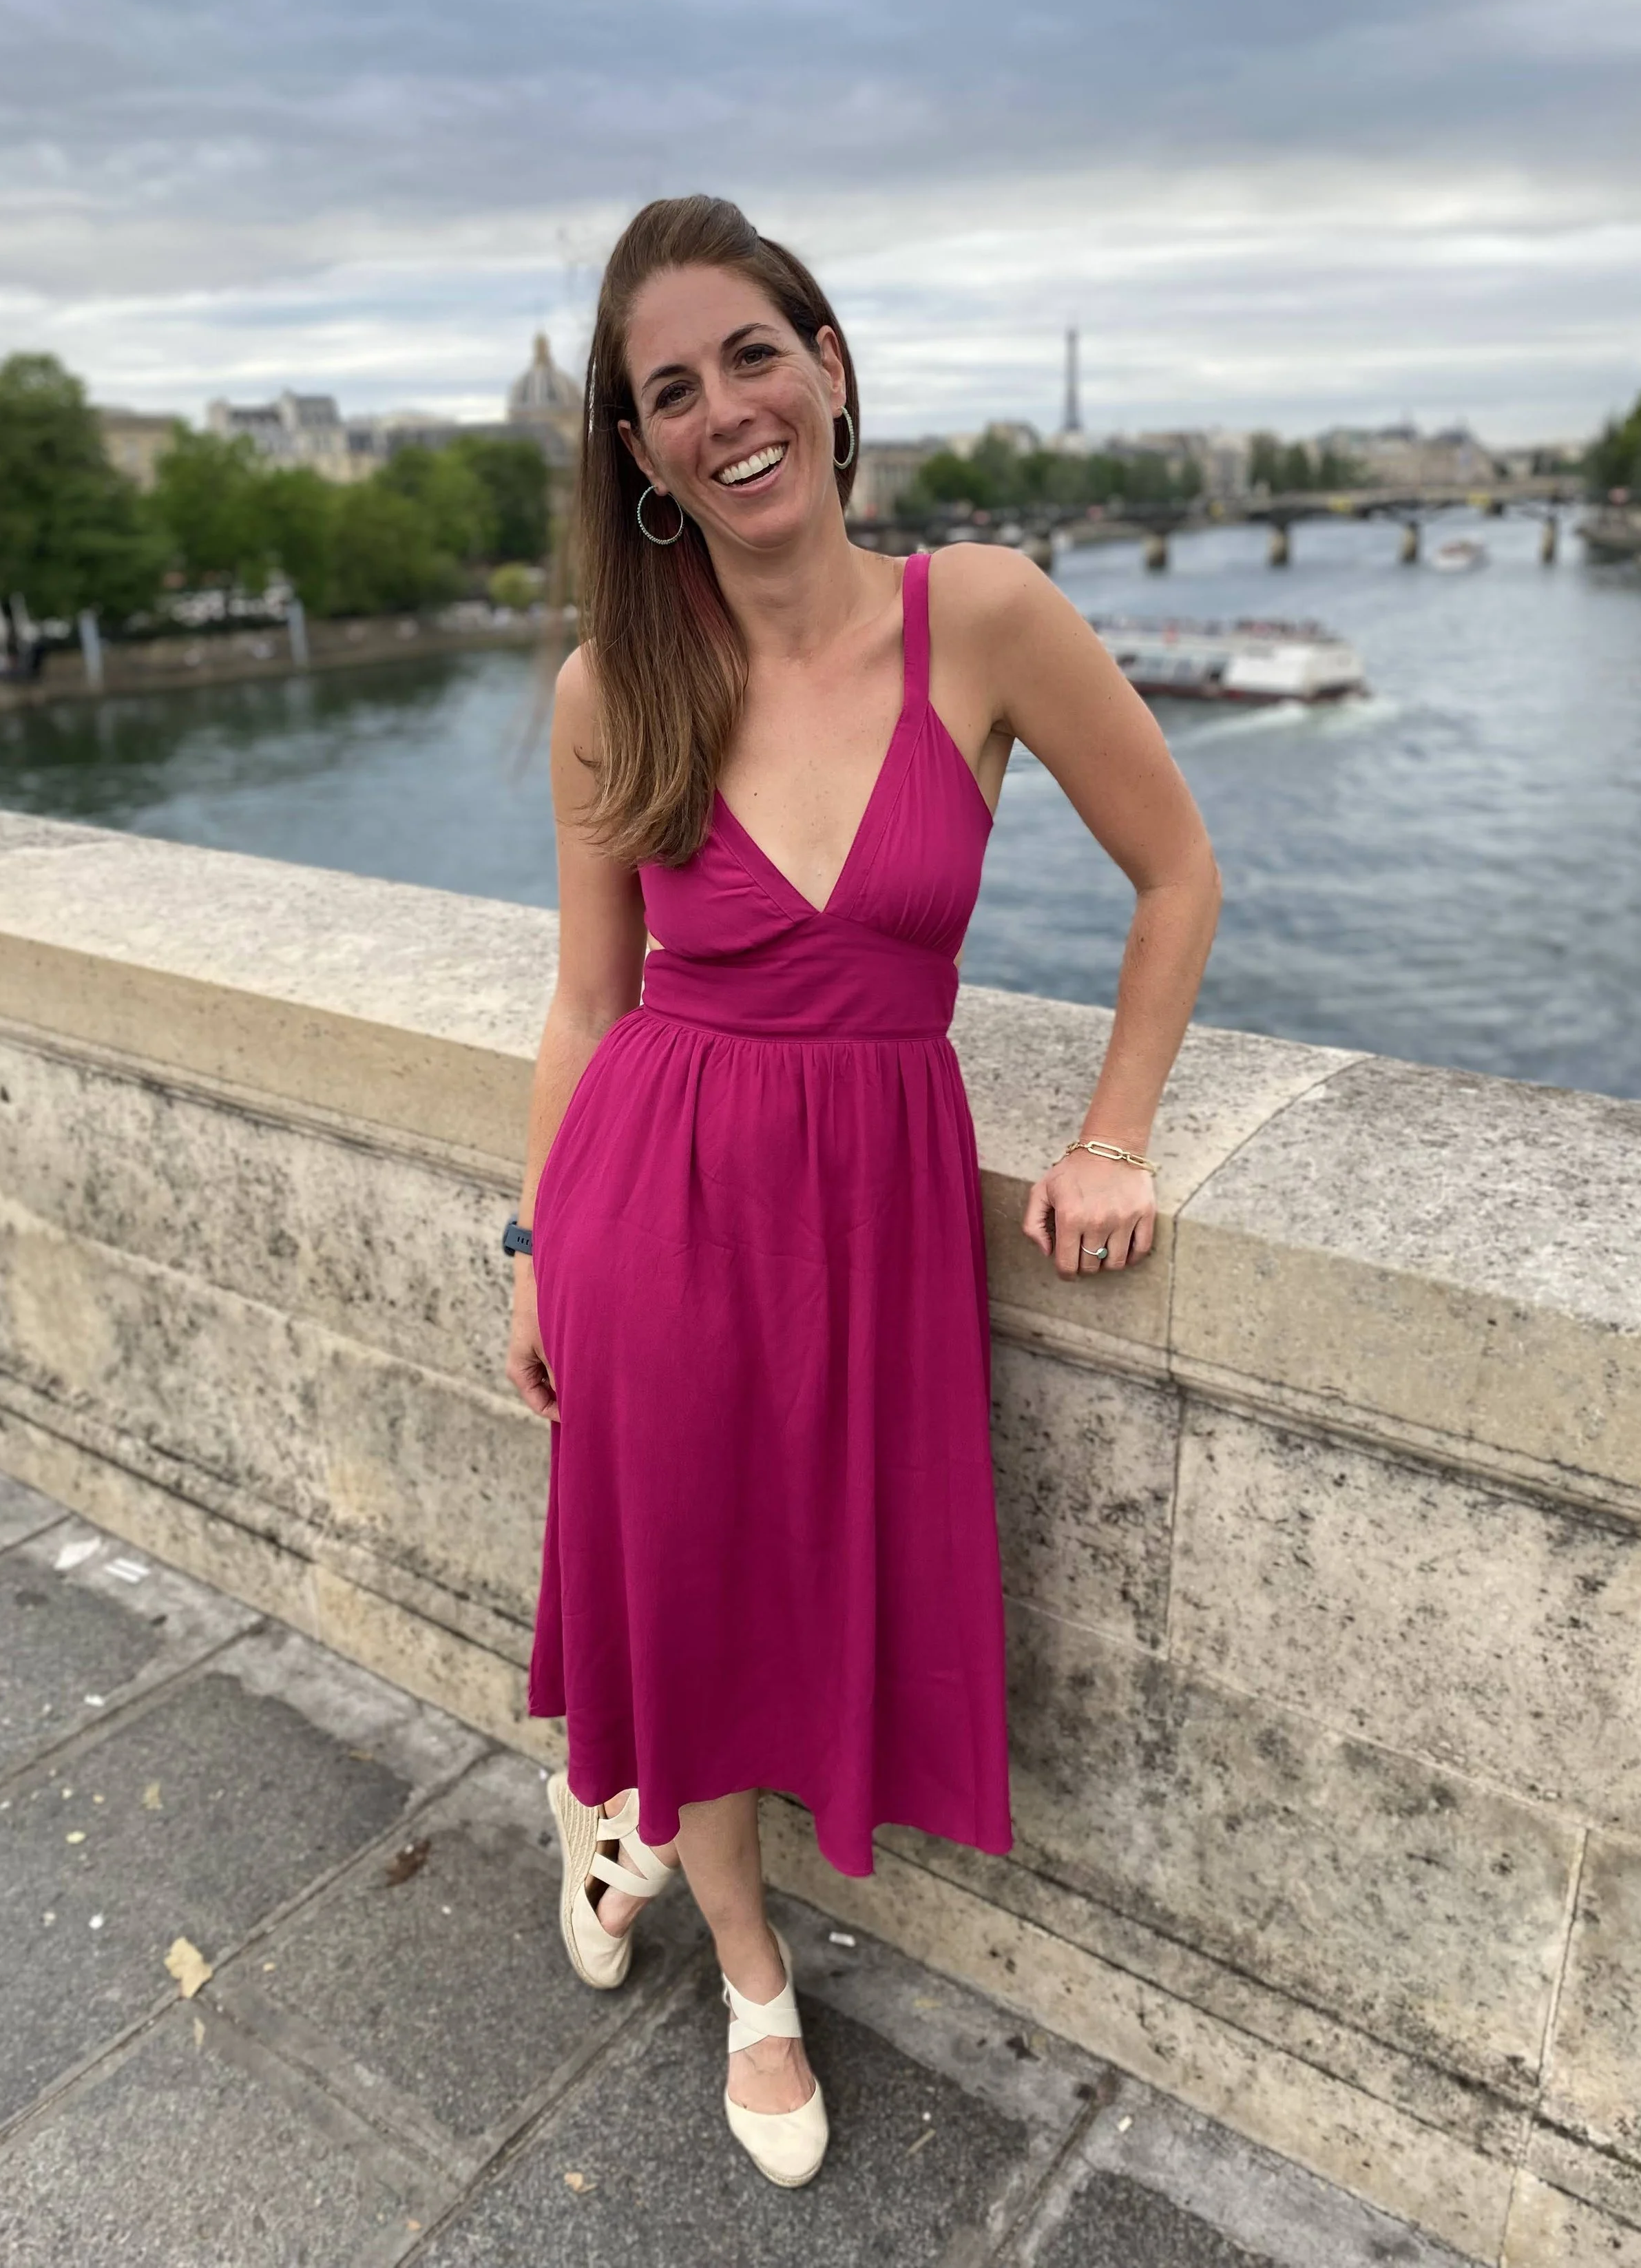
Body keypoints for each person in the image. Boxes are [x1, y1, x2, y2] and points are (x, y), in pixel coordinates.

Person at [504, 194, 1221, 2189]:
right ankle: (744, 1969)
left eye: (751, 353)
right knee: (697, 1599)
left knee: (793, 1584)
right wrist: (535, 1247)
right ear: (638, 456)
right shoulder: (607, 689)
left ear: (826, 366)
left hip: (872, 1219)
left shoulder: (979, 615)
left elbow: (1179, 875)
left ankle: (622, 1811)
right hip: (653, 1203)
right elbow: (583, 1003)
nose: (723, 407)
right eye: (668, 390)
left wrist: (1111, 1129)